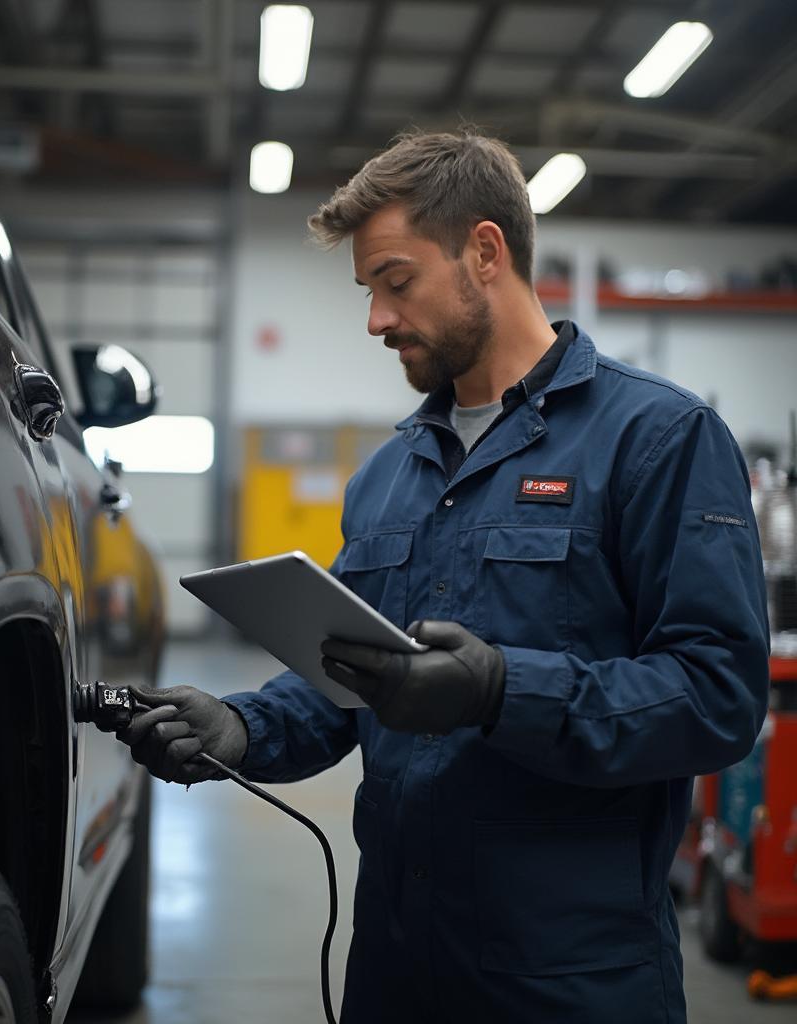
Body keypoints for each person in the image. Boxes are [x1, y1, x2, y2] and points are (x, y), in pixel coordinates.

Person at [120, 128, 769, 1023]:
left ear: (486, 252)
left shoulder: (657, 440)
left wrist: (502, 690)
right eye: (369, 291)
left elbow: (718, 694)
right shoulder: (388, 475)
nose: (377, 319)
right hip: (395, 965)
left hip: (570, 976)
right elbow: (347, 674)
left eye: (396, 281)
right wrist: (239, 727)